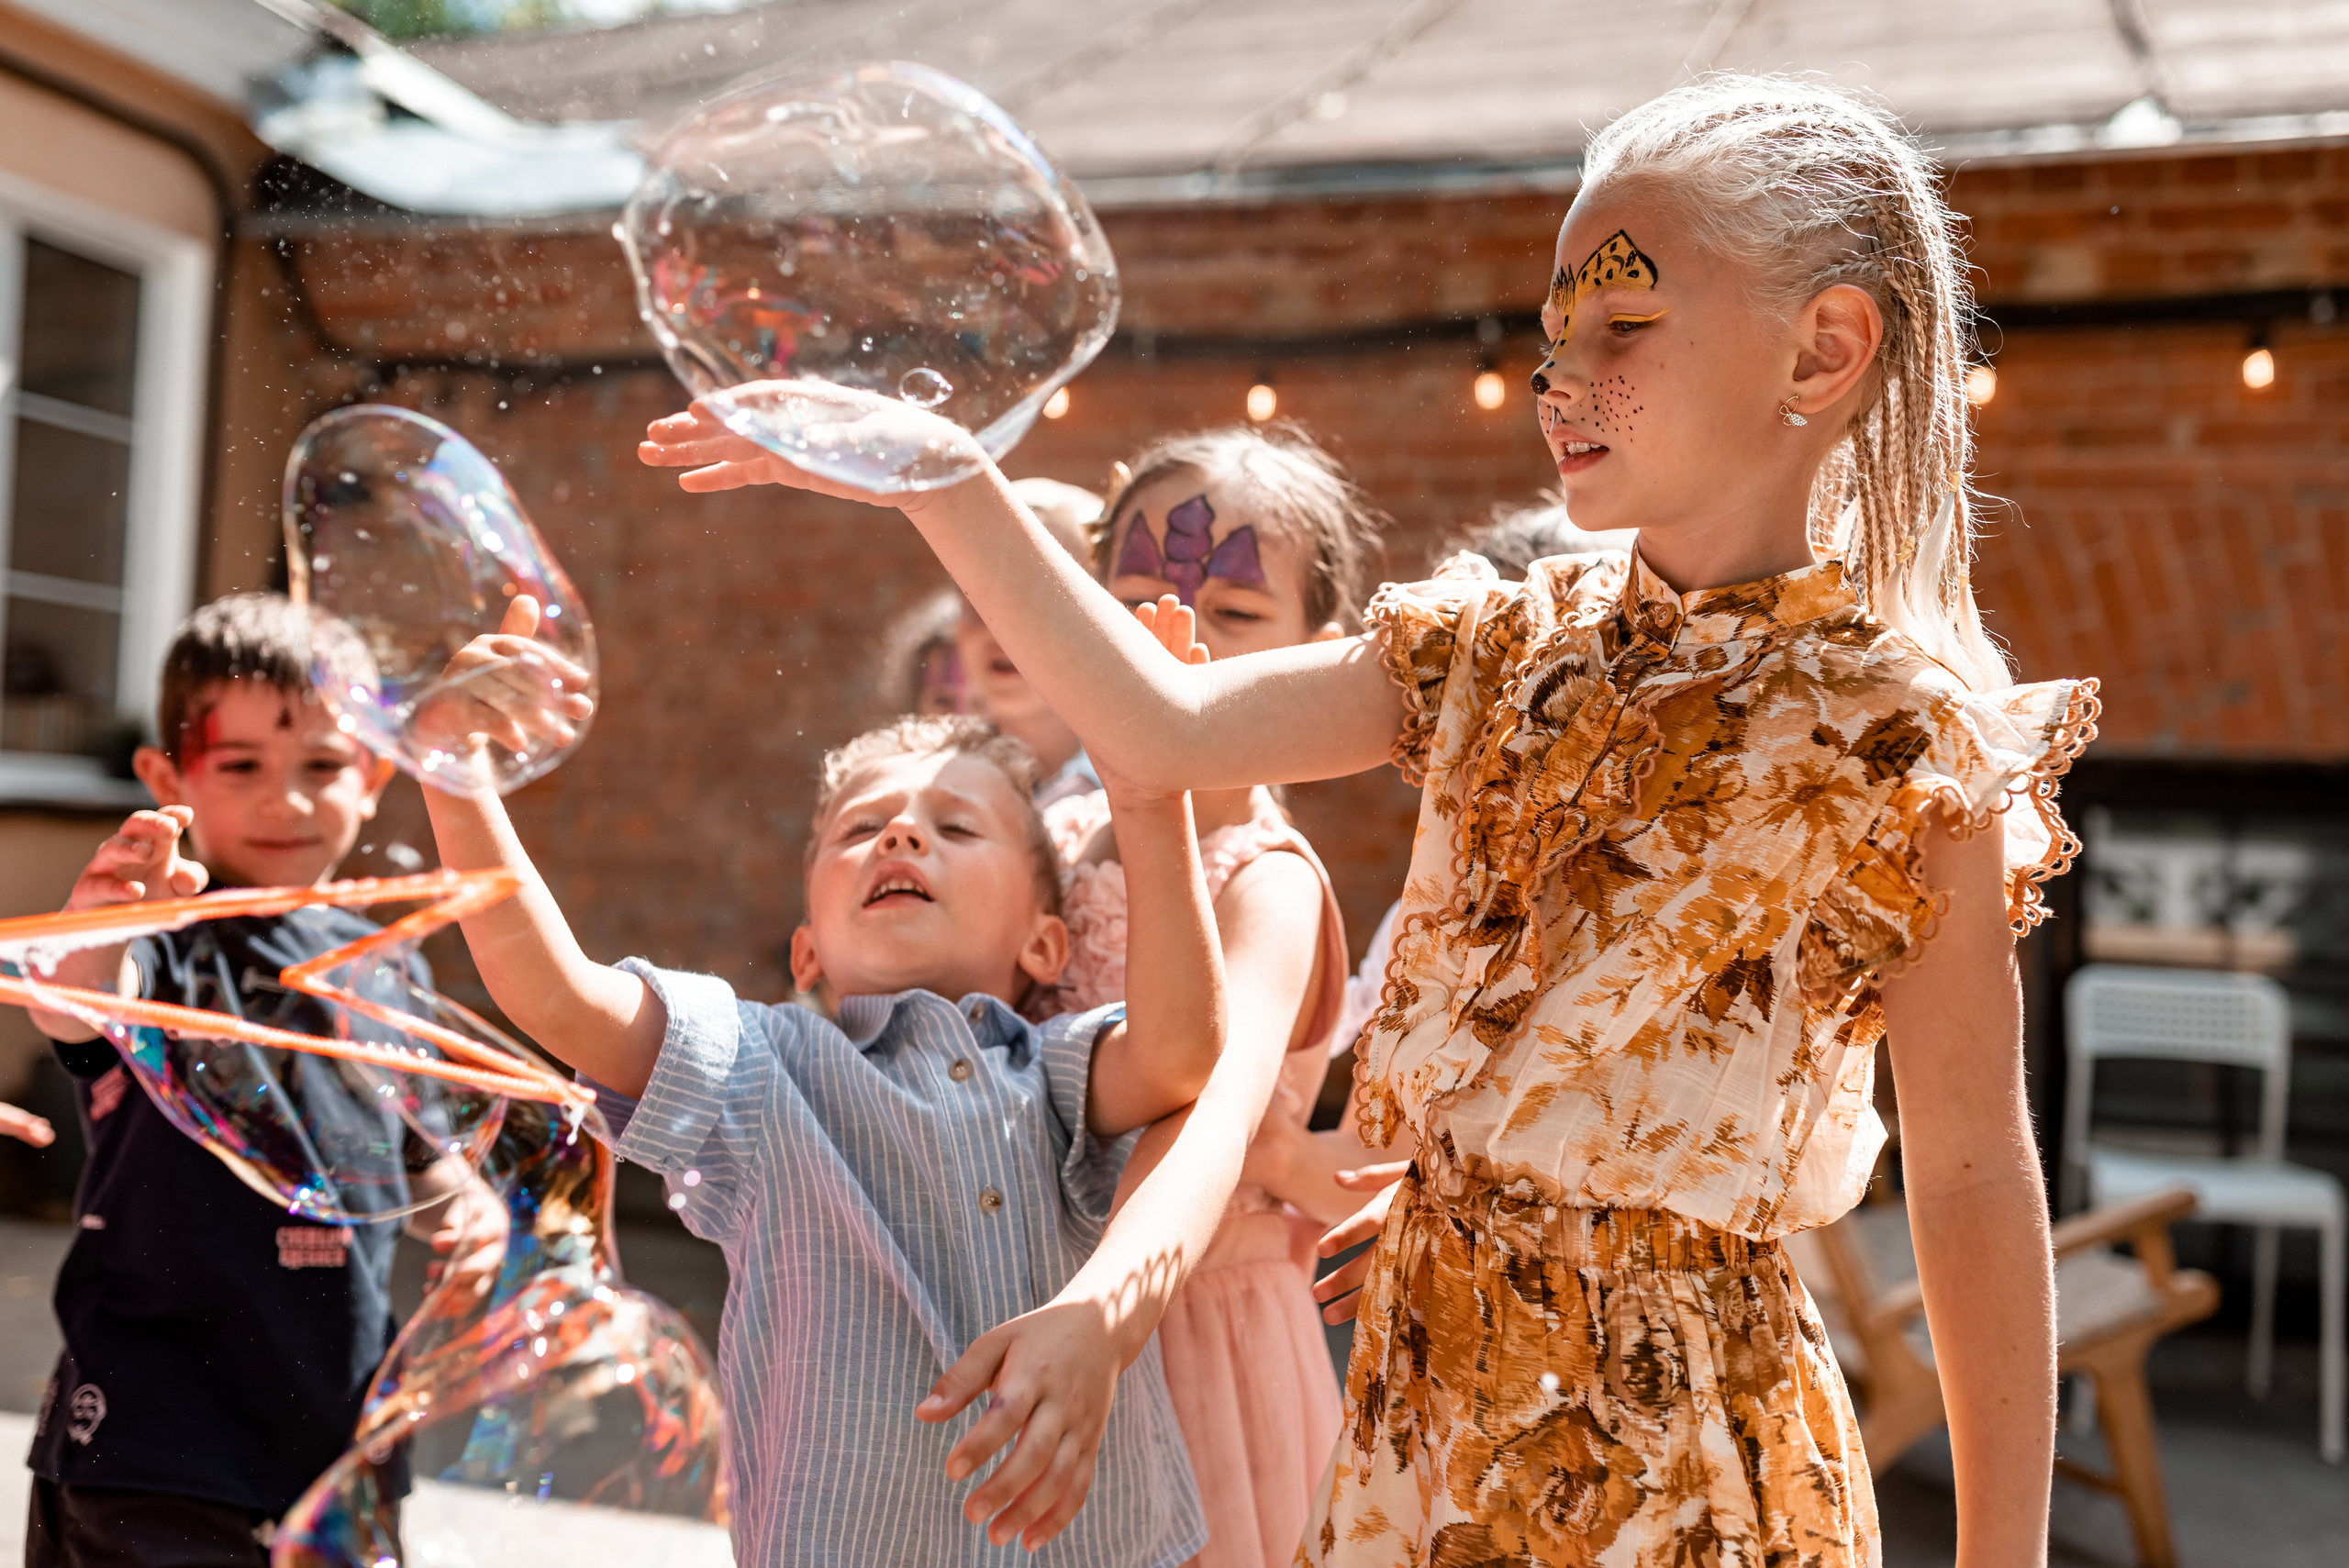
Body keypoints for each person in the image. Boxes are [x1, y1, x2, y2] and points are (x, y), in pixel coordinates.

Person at [640, 72, 2095, 1567]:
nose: (1561, 378)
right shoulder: (1492, 648)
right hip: (1419, 1440)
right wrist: (939, 476)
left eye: (1622, 324)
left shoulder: (1903, 742)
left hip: (1685, 1471)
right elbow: (1160, 722)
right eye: (1552, 335)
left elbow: (1974, 1176)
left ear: (1824, 347)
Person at [415, 621, 1286, 1564]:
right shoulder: (760, 1066)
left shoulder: (1056, 1071)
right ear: (807, 954)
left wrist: (1150, 791)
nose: (901, 834)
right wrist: (453, 773)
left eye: (956, 827)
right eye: (861, 829)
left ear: (1045, 944)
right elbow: (556, 995)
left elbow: (1183, 1052)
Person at [18, 593, 498, 1568]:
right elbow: (77, 1007)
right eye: (242, 765)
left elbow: (408, 1150)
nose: (288, 799)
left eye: (322, 765)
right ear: (168, 778)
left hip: (334, 1442)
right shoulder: (165, 941)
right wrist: (101, 922)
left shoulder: (385, 963)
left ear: (372, 775)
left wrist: (468, 1206)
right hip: (152, 1441)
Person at [1045, 427, 1376, 1568]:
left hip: (1184, 1331)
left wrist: (1101, 1315)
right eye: (1133, 597)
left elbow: (1210, 1115)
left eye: (1232, 613)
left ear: (1319, 659)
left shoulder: (1267, 881)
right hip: (1027, 1291)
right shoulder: (1049, 833)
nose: (1171, 635)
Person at [958, 476, 1109, 806]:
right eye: (977, 600)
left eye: (1039, 603)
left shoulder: (1143, 788)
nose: (1000, 627)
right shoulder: (925, 784)